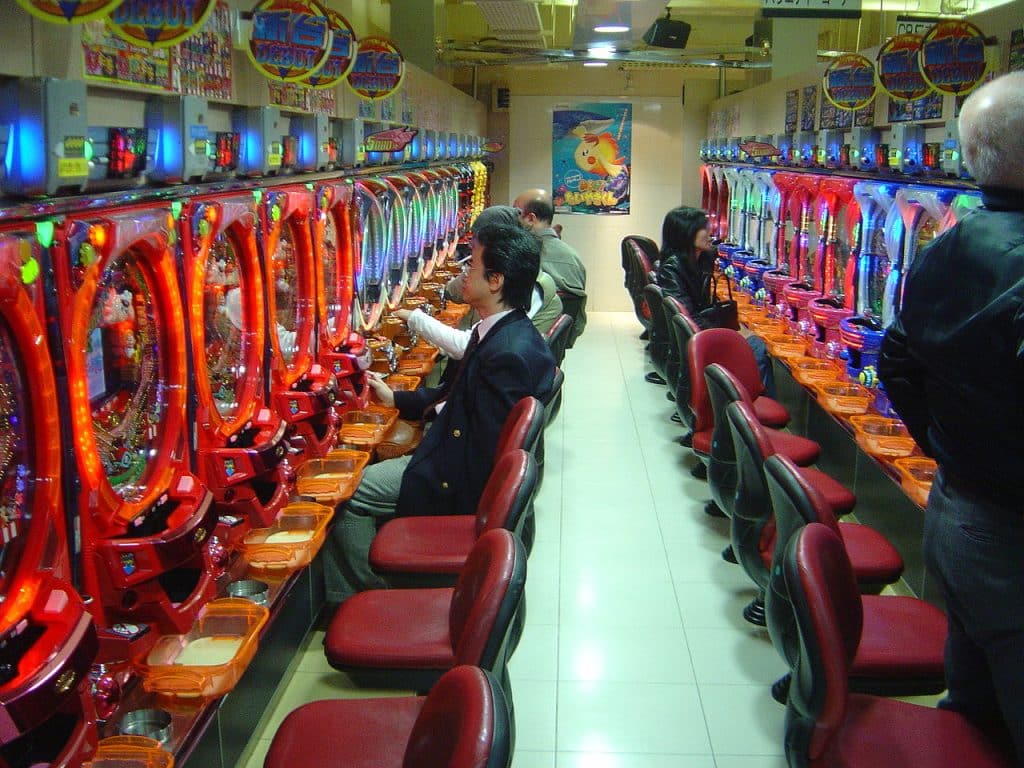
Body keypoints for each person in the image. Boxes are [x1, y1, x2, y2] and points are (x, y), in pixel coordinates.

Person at [878, 71, 1024, 764]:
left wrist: (941, 443)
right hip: (1008, 534)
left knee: (972, 705)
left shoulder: (947, 243)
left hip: (956, 508)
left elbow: (896, 360)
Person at [324, 223, 557, 600]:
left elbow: (477, 456)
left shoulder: (509, 354)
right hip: (446, 451)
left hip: (453, 478)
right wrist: (396, 399)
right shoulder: (502, 331)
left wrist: (415, 456)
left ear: (495, 280)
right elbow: (455, 396)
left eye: (472, 267)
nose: (463, 273)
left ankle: (367, 597)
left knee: (347, 492)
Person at [656, 206, 773, 392]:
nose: (709, 232)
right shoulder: (672, 269)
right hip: (697, 341)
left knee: (756, 342)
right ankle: (752, 403)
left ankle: (750, 404)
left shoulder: (701, 258)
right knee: (758, 347)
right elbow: (689, 318)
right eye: (704, 228)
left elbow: (722, 249)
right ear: (687, 234)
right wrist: (732, 335)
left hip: (703, 330)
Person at [513, 188, 588, 345]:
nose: (512, 220)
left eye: (515, 213)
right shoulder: (573, 257)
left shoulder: (520, 257)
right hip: (556, 342)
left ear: (530, 219)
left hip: (520, 345)